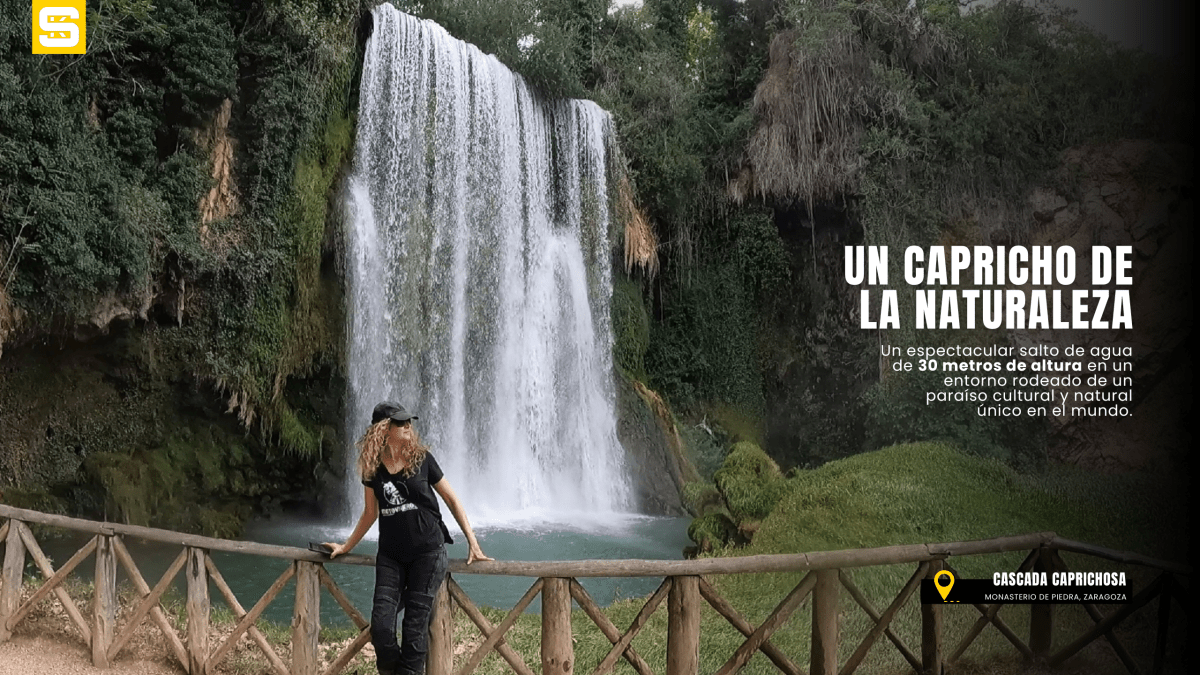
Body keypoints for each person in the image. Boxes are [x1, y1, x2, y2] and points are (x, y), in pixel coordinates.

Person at [326, 402, 491, 675]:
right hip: (390, 556)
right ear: (383, 429)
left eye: (408, 422)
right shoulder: (372, 468)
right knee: (380, 626)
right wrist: (346, 546)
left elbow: (451, 499)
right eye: (401, 423)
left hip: (428, 554)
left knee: (414, 630)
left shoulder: (423, 458)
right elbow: (369, 513)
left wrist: (473, 542)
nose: (408, 427)